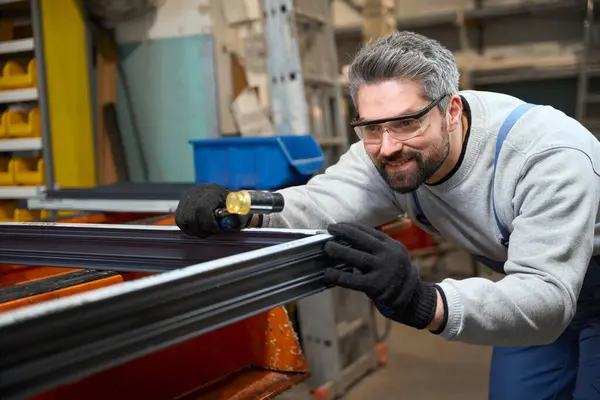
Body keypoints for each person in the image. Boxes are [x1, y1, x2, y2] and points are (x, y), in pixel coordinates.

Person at [175, 31, 600, 399]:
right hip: (524, 290)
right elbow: (320, 203)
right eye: (372, 128)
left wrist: (423, 301)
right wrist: (242, 210)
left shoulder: (545, 157)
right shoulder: (383, 153)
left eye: (406, 124)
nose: (388, 145)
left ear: (451, 111)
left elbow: (547, 298)